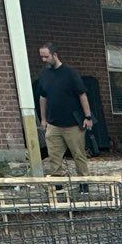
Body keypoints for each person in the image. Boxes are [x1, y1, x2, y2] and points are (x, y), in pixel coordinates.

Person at [32, 44, 93, 178]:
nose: (43, 60)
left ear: (54, 55)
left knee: (79, 155)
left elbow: (82, 95)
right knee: (54, 156)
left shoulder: (70, 73)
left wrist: (87, 117)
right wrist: (43, 119)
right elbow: (43, 97)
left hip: (72, 124)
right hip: (53, 124)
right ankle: (58, 185)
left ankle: (84, 182)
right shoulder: (44, 74)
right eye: (41, 57)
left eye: (46, 57)